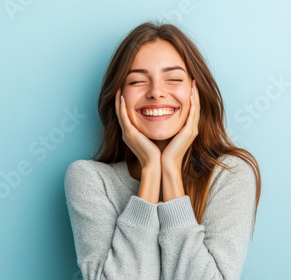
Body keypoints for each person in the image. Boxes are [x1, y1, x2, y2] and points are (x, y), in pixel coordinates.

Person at [64, 21, 261, 280]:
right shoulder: (89, 179)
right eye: (137, 81)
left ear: (196, 91)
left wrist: (169, 171)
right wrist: (150, 171)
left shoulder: (230, 174)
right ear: (118, 96)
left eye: (173, 79)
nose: (156, 92)